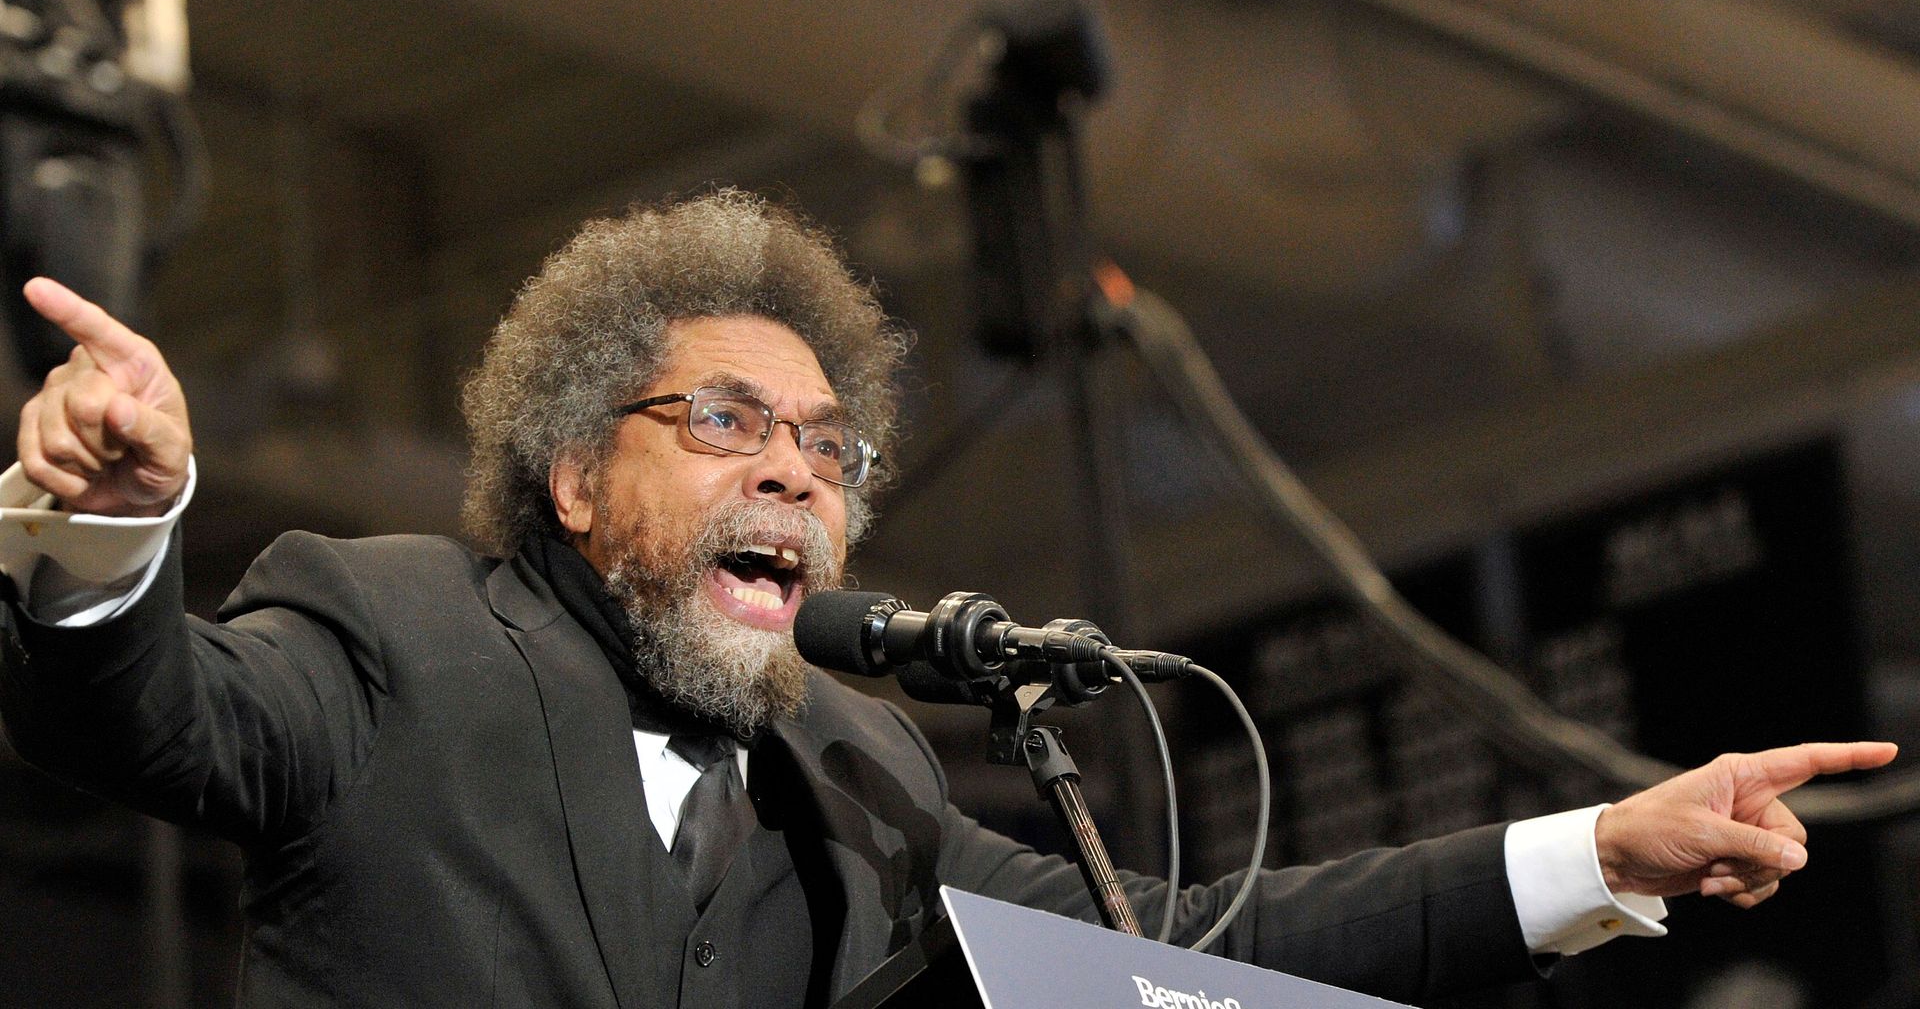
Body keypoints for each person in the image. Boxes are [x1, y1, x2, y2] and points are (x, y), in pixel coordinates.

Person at [0, 190, 1895, 1008]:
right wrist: (105, 529)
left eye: (828, 449)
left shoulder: (864, 772)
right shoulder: (398, 630)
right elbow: (149, 714)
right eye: (725, 422)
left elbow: (1188, 957)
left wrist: (1595, 856)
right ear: (573, 474)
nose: (794, 476)